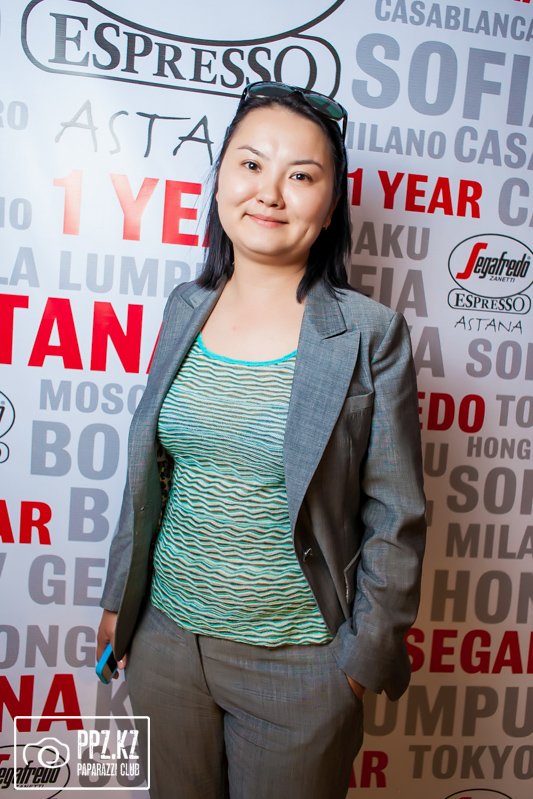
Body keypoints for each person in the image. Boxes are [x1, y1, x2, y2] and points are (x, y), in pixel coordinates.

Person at [97, 81, 426, 799]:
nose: (269, 192)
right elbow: (150, 471)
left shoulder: (370, 334)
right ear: (220, 179)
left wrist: (356, 663)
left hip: (300, 667)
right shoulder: (184, 306)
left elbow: (396, 515)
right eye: (250, 165)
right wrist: (120, 598)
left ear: (330, 205)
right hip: (165, 645)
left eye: (301, 176)